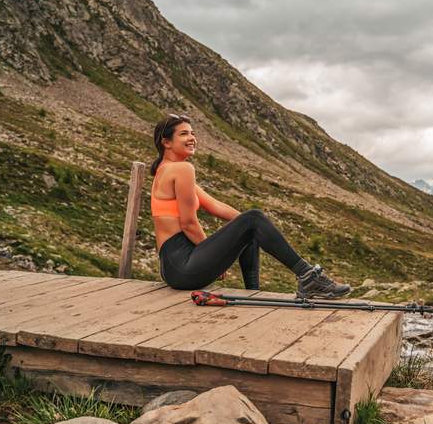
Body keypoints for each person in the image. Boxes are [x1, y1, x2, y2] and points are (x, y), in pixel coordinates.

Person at [150, 113, 351, 299]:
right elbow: (188, 223)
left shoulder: (167, 170)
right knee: (252, 220)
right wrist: (249, 225)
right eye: (184, 134)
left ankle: (253, 292)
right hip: (183, 266)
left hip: (172, 267)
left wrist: (255, 226)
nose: (192, 138)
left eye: (193, 133)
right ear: (166, 142)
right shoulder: (182, 169)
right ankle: (308, 276)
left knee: (248, 221)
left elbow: (215, 206)